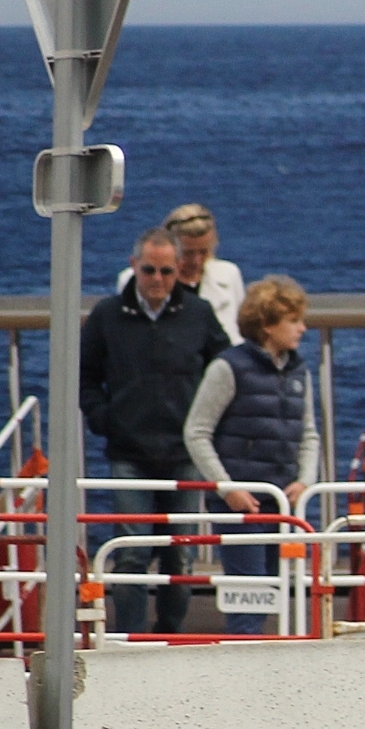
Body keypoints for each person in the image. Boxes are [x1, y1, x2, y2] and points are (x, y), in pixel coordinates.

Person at [82, 226, 231, 635]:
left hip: (185, 454)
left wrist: (210, 425)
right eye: (150, 270)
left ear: (178, 270)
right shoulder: (107, 316)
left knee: (180, 555)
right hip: (129, 452)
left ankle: (169, 634)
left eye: (167, 271)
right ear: (134, 266)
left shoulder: (198, 314)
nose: (158, 280)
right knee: (131, 552)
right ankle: (130, 638)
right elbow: (85, 376)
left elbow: (225, 371)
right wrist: (104, 418)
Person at [184, 277, 318, 636]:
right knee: (249, 597)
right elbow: (197, 431)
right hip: (240, 504)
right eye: (293, 320)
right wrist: (227, 488)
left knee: (274, 592)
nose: (302, 329)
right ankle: (243, 670)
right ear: (267, 324)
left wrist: (305, 479)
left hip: (280, 502)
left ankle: (263, 668)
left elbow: (309, 433)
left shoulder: (298, 370)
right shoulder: (228, 368)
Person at [116, 203, 242, 342]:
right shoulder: (135, 279)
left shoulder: (229, 275)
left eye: (203, 252)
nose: (196, 261)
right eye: (188, 253)